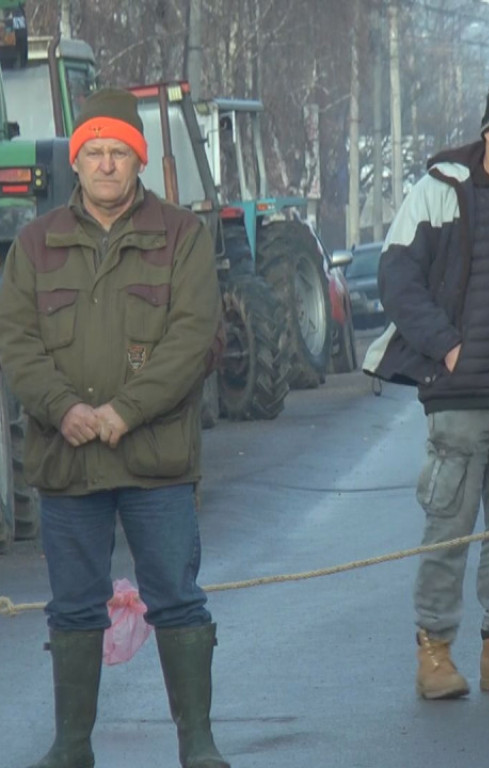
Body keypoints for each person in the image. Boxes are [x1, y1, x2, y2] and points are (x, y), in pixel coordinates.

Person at [0, 89, 226, 768]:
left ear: (138, 160)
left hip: (154, 458)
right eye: (93, 153)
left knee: (177, 598)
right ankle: (72, 746)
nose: (105, 165)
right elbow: (15, 341)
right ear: (77, 162)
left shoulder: (182, 235)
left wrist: (126, 411)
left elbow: (193, 341)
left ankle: (198, 742)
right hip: (68, 462)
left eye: (117, 153)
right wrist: (61, 408)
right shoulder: (34, 244)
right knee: (73, 608)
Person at [365, 76, 489, 700]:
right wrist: (448, 346)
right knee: (448, 527)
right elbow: (397, 278)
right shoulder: (438, 191)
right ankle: (435, 651)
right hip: (458, 395)